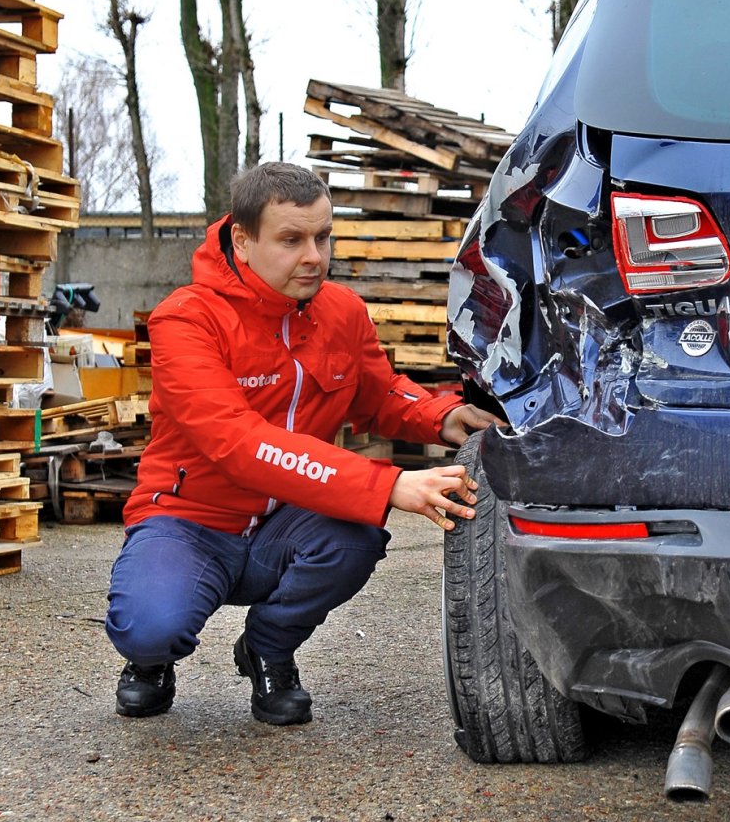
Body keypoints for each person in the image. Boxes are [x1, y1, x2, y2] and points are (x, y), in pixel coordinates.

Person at [104, 161, 503, 725]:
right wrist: (385, 483)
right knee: (150, 627)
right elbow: (237, 442)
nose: (314, 256)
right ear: (242, 242)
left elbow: (379, 393)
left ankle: (268, 648)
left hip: (285, 522)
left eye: (322, 236)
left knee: (354, 538)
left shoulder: (340, 311)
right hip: (191, 521)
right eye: (291, 240)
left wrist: (443, 416)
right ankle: (150, 661)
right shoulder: (187, 320)